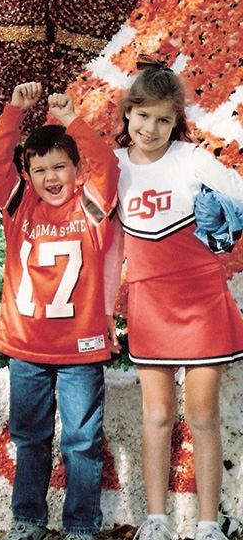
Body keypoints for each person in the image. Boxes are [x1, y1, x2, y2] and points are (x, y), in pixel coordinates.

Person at [106, 57, 243, 540]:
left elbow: (240, 198)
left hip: (202, 300)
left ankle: (208, 525)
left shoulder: (194, 159)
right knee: (158, 416)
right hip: (149, 303)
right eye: (142, 115)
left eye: (164, 119)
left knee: (203, 416)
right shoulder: (114, 167)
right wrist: (106, 309)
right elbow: (111, 248)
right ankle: (156, 520)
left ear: (176, 121)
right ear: (128, 114)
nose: (151, 127)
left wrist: (227, 222)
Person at [0, 82, 121, 540]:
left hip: (79, 349)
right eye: (40, 169)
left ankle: (81, 524)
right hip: (26, 345)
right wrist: (13, 113)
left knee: (81, 442)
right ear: (28, 173)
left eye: (61, 166)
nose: (51, 177)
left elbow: (108, 164)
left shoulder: (90, 207)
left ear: (77, 170)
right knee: (30, 439)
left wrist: (72, 119)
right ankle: (28, 520)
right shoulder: (20, 206)